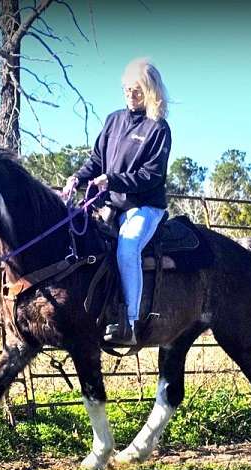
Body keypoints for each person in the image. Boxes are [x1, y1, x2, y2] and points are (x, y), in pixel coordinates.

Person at [63, 58, 171, 346]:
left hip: (144, 207)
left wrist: (112, 180)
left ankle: (130, 324)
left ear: (150, 91)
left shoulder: (158, 128)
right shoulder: (113, 120)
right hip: (109, 205)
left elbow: (152, 175)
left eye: (137, 90)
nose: (130, 95)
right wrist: (78, 177)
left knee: (127, 246)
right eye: (127, 89)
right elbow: (97, 160)